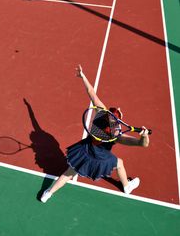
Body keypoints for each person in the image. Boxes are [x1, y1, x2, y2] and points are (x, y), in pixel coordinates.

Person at [40, 65, 149, 203]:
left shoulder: (101, 113)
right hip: (100, 159)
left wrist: (83, 76)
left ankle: (48, 193)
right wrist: (144, 136)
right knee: (119, 163)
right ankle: (127, 187)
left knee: (69, 173)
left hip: (84, 151)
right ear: (117, 122)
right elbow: (142, 144)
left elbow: (91, 91)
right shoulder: (118, 136)